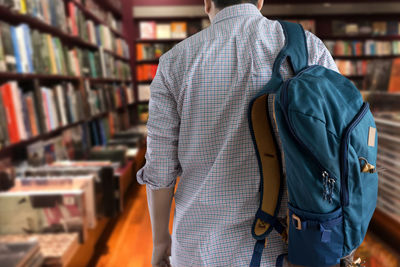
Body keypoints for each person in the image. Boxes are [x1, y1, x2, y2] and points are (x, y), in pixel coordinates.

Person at [136, 0, 338, 266]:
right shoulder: (308, 47)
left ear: (207, 2)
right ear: (260, 0)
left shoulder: (174, 62)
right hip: (293, 246)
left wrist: (161, 240)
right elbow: (339, 145)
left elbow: (160, 173)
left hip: (201, 249)